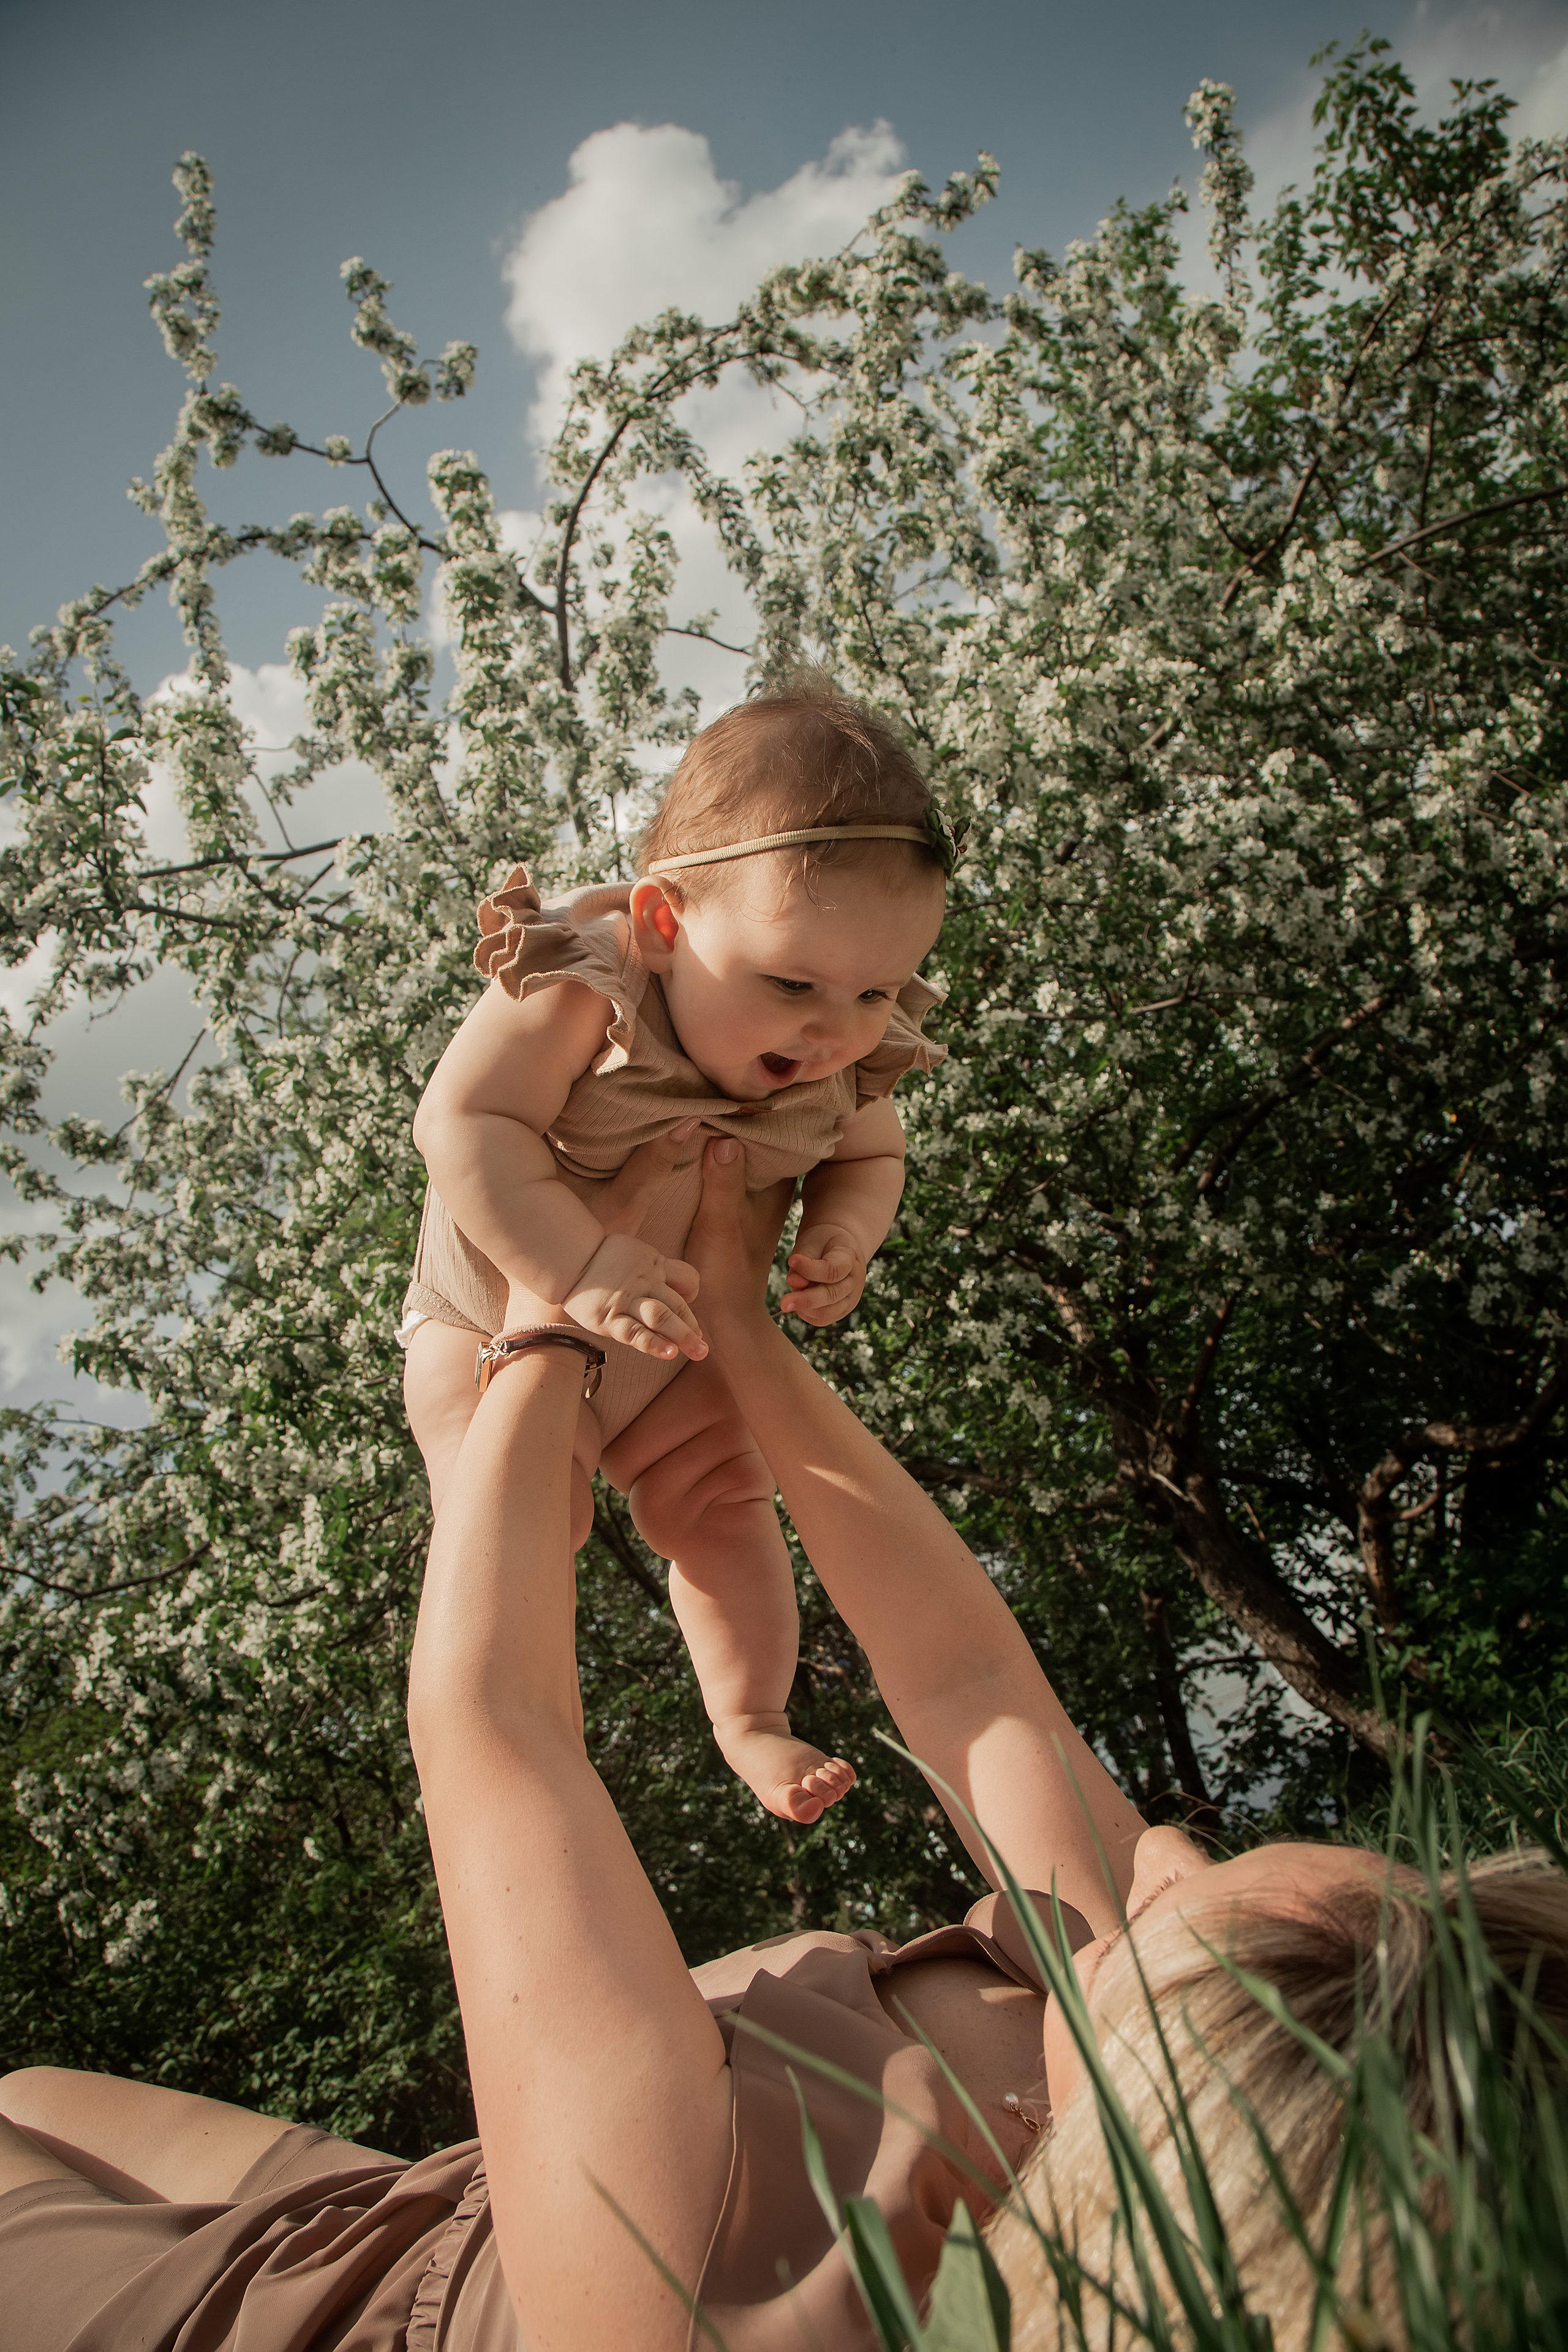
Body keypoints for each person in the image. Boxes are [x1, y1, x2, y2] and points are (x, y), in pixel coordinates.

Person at [3, 1137, 1565, 2352]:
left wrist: (541, 1337)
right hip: (448, 2211)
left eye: (1186, 1893)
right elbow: (970, 1686)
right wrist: (741, 1324)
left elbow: (495, 1727)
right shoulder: (1124, 2055)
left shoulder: (698, 2283)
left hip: (304, 2324)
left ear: (1199, 2090)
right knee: (33, 2088)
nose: (1167, 1845)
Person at [401, 671, 951, 1825]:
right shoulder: (585, 981)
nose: (832, 1027)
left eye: (873, 990)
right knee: (517, 1516)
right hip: (488, 1322)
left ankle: (750, 1716)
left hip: (673, 1348)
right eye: (793, 983)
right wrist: (579, 1267)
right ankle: (522, 1734)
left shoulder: (849, 1053)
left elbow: (870, 1156)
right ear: (665, 923)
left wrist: (845, 1232)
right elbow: (464, 1122)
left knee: (726, 1504)